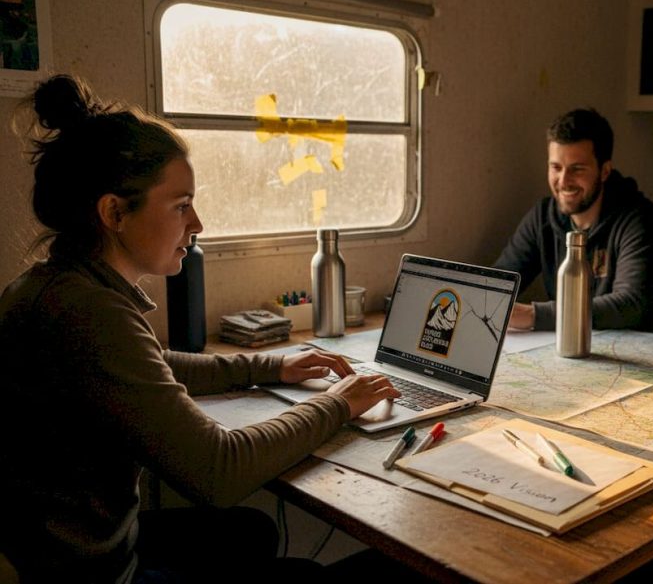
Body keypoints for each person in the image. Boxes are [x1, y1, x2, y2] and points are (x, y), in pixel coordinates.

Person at [0, 74, 401, 584]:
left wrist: (272, 364)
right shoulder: (87, 313)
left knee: (250, 532)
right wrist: (339, 402)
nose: (198, 224)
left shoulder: (58, 286)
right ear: (114, 212)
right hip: (88, 573)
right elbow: (219, 471)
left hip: (68, 550)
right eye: (181, 205)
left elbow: (153, 366)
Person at [493, 108, 653, 331]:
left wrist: (535, 315)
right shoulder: (542, 217)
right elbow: (499, 283)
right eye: (556, 167)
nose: (563, 181)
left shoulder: (639, 219)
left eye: (577, 169)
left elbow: (632, 305)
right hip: (563, 352)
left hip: (624, 354)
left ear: (604, 171)